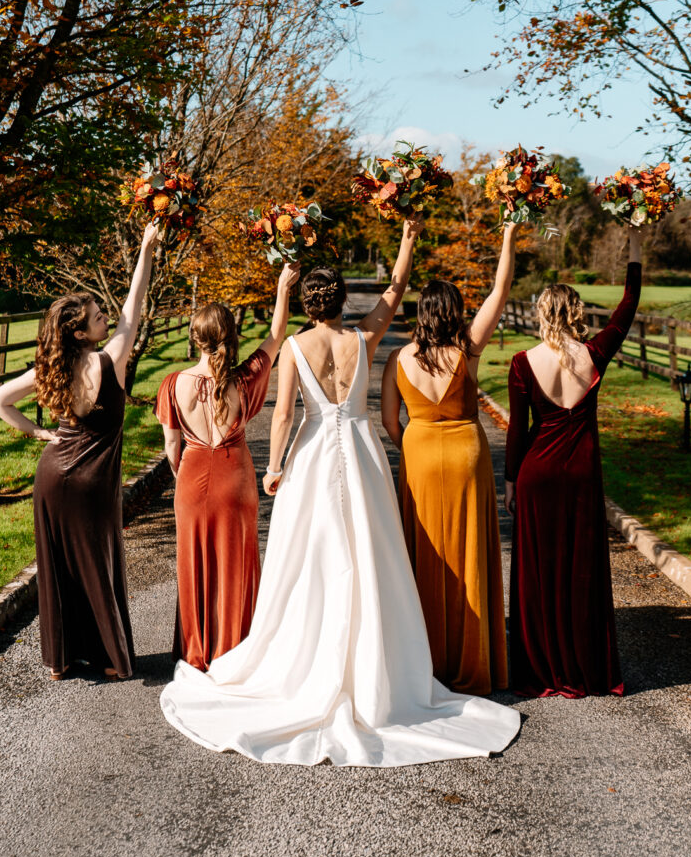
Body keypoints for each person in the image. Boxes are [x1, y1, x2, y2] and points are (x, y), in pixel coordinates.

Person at [159, 219, 521, 766]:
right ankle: (377, 668)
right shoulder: (362, 338)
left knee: (308, 560)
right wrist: (406, 241)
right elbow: (396, 292)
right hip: (360, 454)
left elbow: (283, 414)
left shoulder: (296, 348)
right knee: (370, 555)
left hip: (311, 457)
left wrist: (274, 465)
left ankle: (304, 659)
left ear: (308, 303)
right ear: (343, 300)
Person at [0, 223, 159, 681]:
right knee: (99, 563)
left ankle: (61, 663)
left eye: (103, 314)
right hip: (93, 483)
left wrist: (40, 435)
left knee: (59, 566)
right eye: (97, 317)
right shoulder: (110, 360)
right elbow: (134, 308)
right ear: (81, 333)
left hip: (53, 475)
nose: (106, 320)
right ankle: (110, 660)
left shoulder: (51, 366)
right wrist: (144, 250)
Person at [504, 228, 643, 698]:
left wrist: (508, 481)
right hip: (581, 473)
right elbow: (628, 304)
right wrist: (636, 242)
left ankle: (542, 669)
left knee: (539, 574)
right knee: (580, 572)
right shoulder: (596, 354)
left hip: (535, 476)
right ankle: (584, 668)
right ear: (577, 313)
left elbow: (517, 430)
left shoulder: (523, 363)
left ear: (542, 313)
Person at [380, 223, 517, 695]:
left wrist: (414, 447)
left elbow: (388, 421)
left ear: (421, 313)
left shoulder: (399, 359)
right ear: (456, 312)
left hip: (419, 458)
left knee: (424, 557)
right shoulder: (467, 350)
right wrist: (508, 234)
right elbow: (501, 290)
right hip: (466, 455)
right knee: (469, 553)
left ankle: (425, 661)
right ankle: (471, 656)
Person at [154, 261, 301, 670]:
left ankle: (198, 650)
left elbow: (171, 446)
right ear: (232, 338)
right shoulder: (244, 379)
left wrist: (183, 474)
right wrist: (282, 288)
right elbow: (275, 336)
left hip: (192, 476)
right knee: (237, 563)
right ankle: (237, 648)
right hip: (236, 478)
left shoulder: (172, 384)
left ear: (194, 338)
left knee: (195, 562)